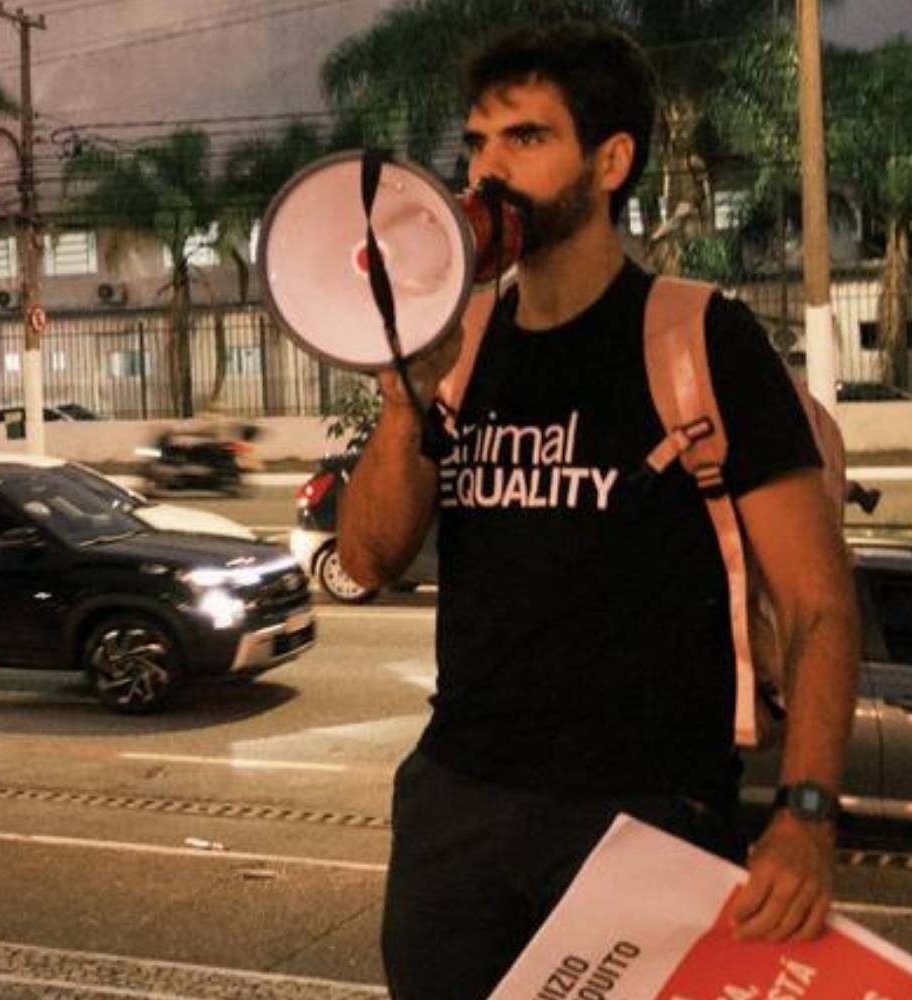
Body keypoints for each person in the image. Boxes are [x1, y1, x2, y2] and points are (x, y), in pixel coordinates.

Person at [333, 23, 861, 999]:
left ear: (611, 161)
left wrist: (808, 816)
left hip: (646, 813)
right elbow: (366, 559)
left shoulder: (704, 338)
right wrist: (409, 390)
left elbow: (822, 603)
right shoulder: (466, 342)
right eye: (477, 144)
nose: (486, 174)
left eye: (525, 139)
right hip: (459, 804)